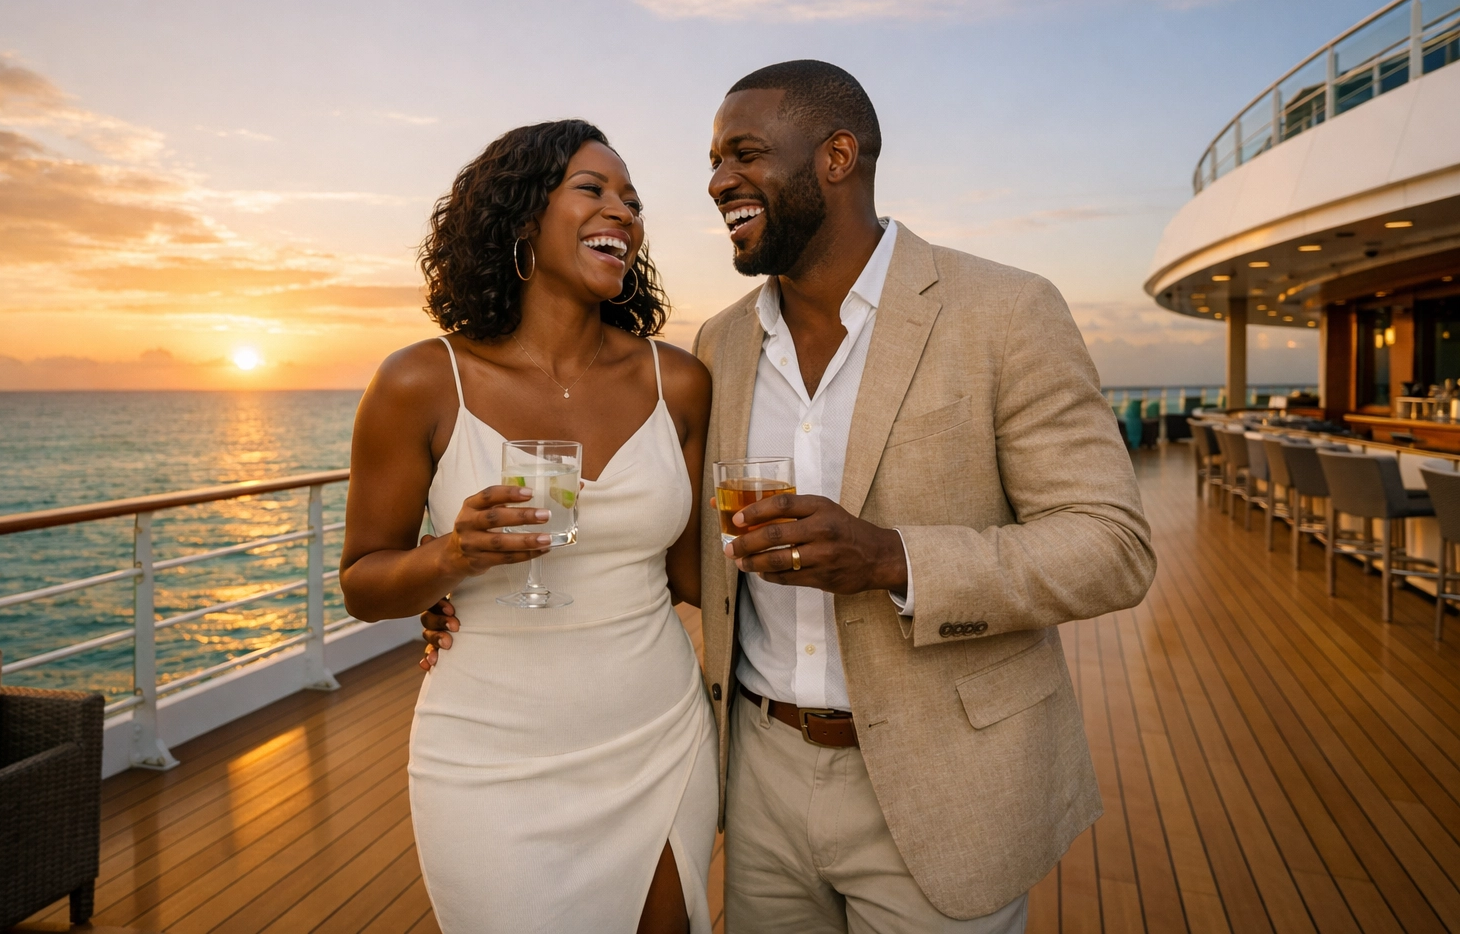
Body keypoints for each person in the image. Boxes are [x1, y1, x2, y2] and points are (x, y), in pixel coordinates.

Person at [694, 61, 1155, 933]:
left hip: (945, 786)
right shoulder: (719, 343)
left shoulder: (1006, 310)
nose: (719, 182)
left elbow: (1112, 546)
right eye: (713, 161)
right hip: (756, 778)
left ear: (838, 156)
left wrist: (892, 558)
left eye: (744, 154)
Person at [341, 119, 718, 934]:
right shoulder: (420, 381)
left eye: (632, 200)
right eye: (593, 189)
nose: (622, 210)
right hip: (488, 757)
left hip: (658, 737)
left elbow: (693, 579)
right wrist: (451, 557)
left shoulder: (679, 381)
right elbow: (363, 583)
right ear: (520, 217)